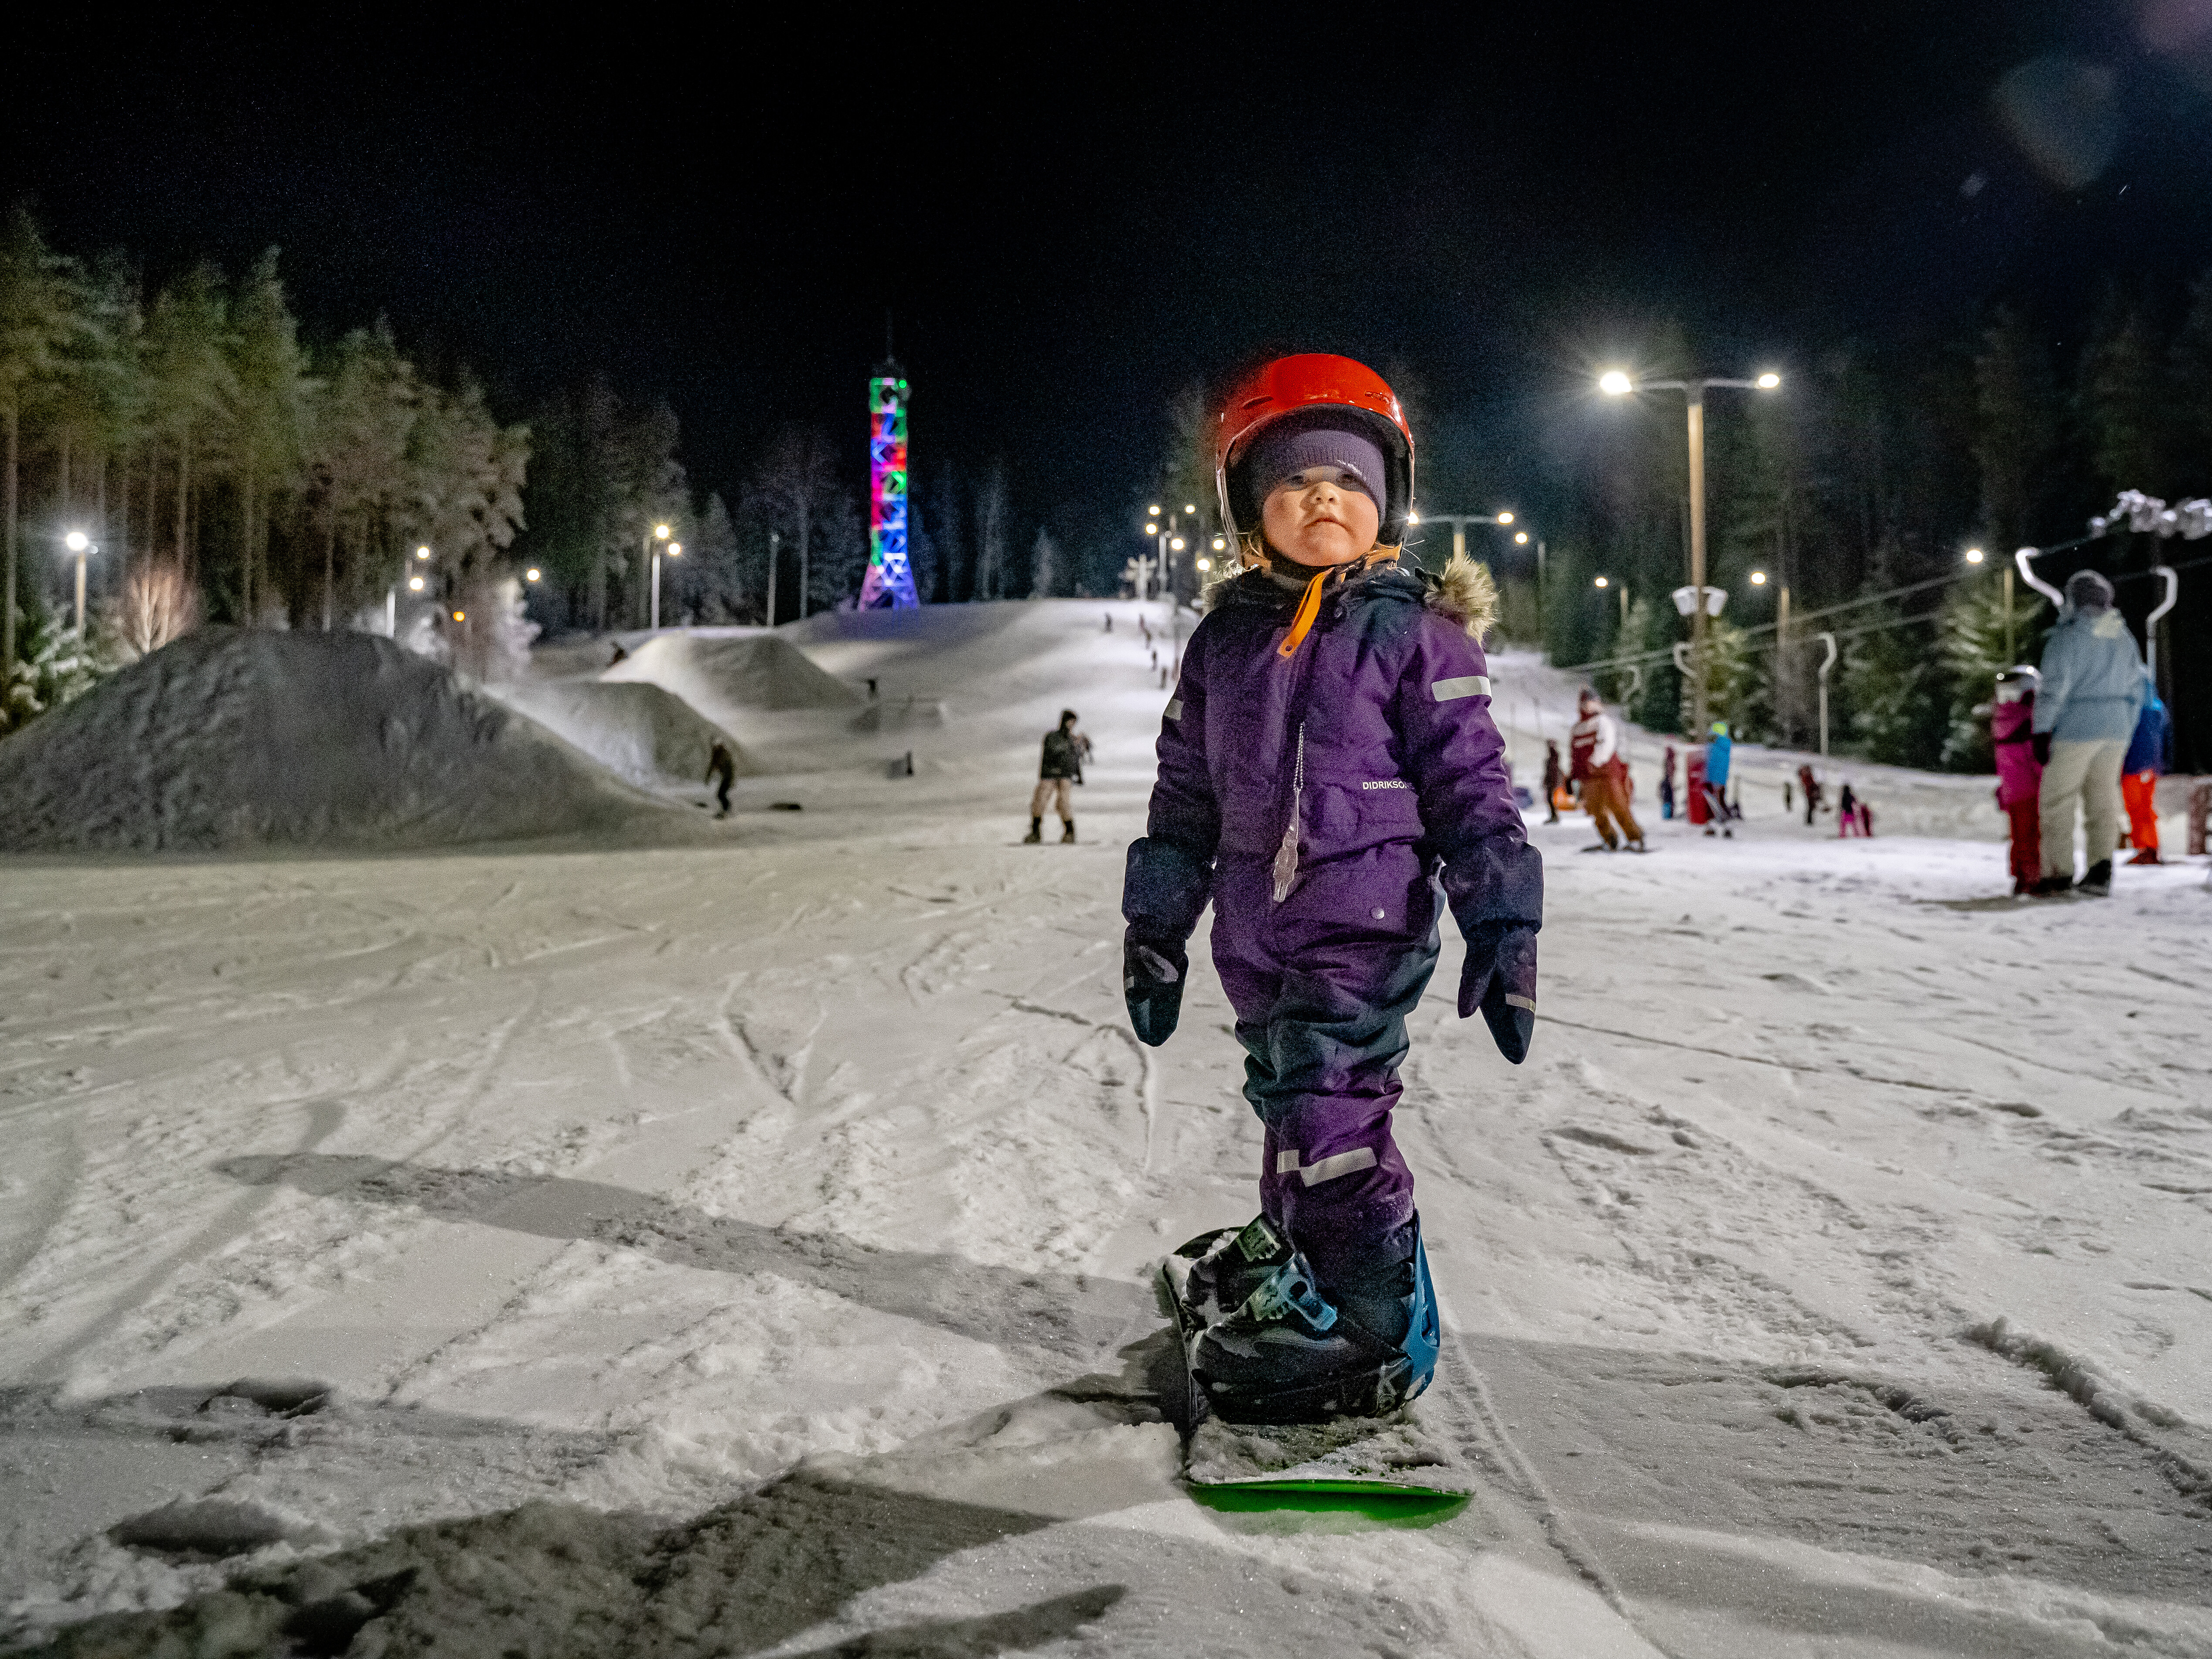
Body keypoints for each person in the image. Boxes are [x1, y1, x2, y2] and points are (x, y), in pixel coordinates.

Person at [1124, 354, 1538, 1422]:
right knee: (1284, 1094)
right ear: (1246, 508)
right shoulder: (1224, 642)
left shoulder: (1416, 634)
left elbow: (1473, 789)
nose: (1323, 495)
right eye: (1294, 479)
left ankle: (1366, 1316)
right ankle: (1299, 1258)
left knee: (1332, 1112)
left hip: (1363, 924)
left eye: (1349, 480)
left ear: (1387, 501)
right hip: (1256, 936)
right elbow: (1182, 798)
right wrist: (1156, 923)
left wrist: (1502, 919)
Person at [2032, 569, 2150, 897]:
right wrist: (2126, 724)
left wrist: (2041, 730)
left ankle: (2057, 872)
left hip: (2076, 727)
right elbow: (2138, 685)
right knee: (2103, 802)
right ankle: (2100, 870)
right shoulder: (2122, 636)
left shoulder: (2068, 637)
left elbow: (2053, 688)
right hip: (2116, 728)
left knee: (2058, 801)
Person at [1568, 687, 1645, 851]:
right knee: (1596, 811)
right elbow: (1574, 753)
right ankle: (1610, 839)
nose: (1590, 706)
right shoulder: (1577, 728)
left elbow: (1607, 745)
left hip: (1608, 774)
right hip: (1588, 778)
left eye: (1593, 702)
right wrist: (1574, 774)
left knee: (1619, 807)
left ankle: (1635, 838)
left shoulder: (1603, 722)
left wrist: (1594, 762)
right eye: (1587, 703)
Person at [1990, 666, 2042, 895]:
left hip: (2013, 792)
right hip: (2031, 791)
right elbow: (2035, 758)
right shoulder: (2027, 720)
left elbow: (2005, 764)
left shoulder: (2002, 719)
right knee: (2032, 835)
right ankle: (2032, 878)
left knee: (2019, 835)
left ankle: (2020, 874)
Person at [2121, 690, 2169, 865]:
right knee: (2145, 807)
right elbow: (2165, 736)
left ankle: (2146, 849)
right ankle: (2149, 848)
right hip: (2151, 764)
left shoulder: (2133, 706)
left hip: (2135, 765)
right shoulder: (2158, 706)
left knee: (2138, 808)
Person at [1026, 709, 1088, 843]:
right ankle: (1035, 832)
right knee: (1040, 801)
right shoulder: (1053, 737)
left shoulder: (1071, 739)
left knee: (1063, 803)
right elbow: (1053, 751)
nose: (1071, 725)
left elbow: (1075, 760)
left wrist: (1078, 773)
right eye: (1070, 722)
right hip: (1050, 773)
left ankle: (1069, 832)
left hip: (1065, 775)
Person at [1703, 720, 1734, 838]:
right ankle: (1721, 827)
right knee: (1719, 803)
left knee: (1714, 804)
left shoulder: (1715, 747)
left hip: (1713, 779)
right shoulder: (1725, 746)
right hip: (1721, 780)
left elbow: (1710, 763)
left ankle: (1722, 827)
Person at [705, 739, 736, 818]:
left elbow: (731, 767)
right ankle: (727, 811)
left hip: (728, 778)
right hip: (726, 778)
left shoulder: (724, 754)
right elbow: (712, 766)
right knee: (721, 795)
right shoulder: (717, 755)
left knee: (721, 795)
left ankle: (726, 812)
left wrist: (731, 780)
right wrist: (708, 777)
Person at [1541, 740, 1564, 825]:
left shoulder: (1554, 757)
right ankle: (1554, 816)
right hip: (1550, 781)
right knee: (1549, 800)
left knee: (1550, 799)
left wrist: (1552, 782)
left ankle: (1555, 817)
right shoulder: (1551, 759)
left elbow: (1552, 772)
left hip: (1552, 781)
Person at [1660, 744, 1677, 820]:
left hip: (1668, 782)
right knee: (1668, 796)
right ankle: (1668, 814)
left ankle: (1668, 814)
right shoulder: (1669, 761)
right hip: (1668, 782)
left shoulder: (1669, 761)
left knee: (1668, 796)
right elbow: (1669, 770)